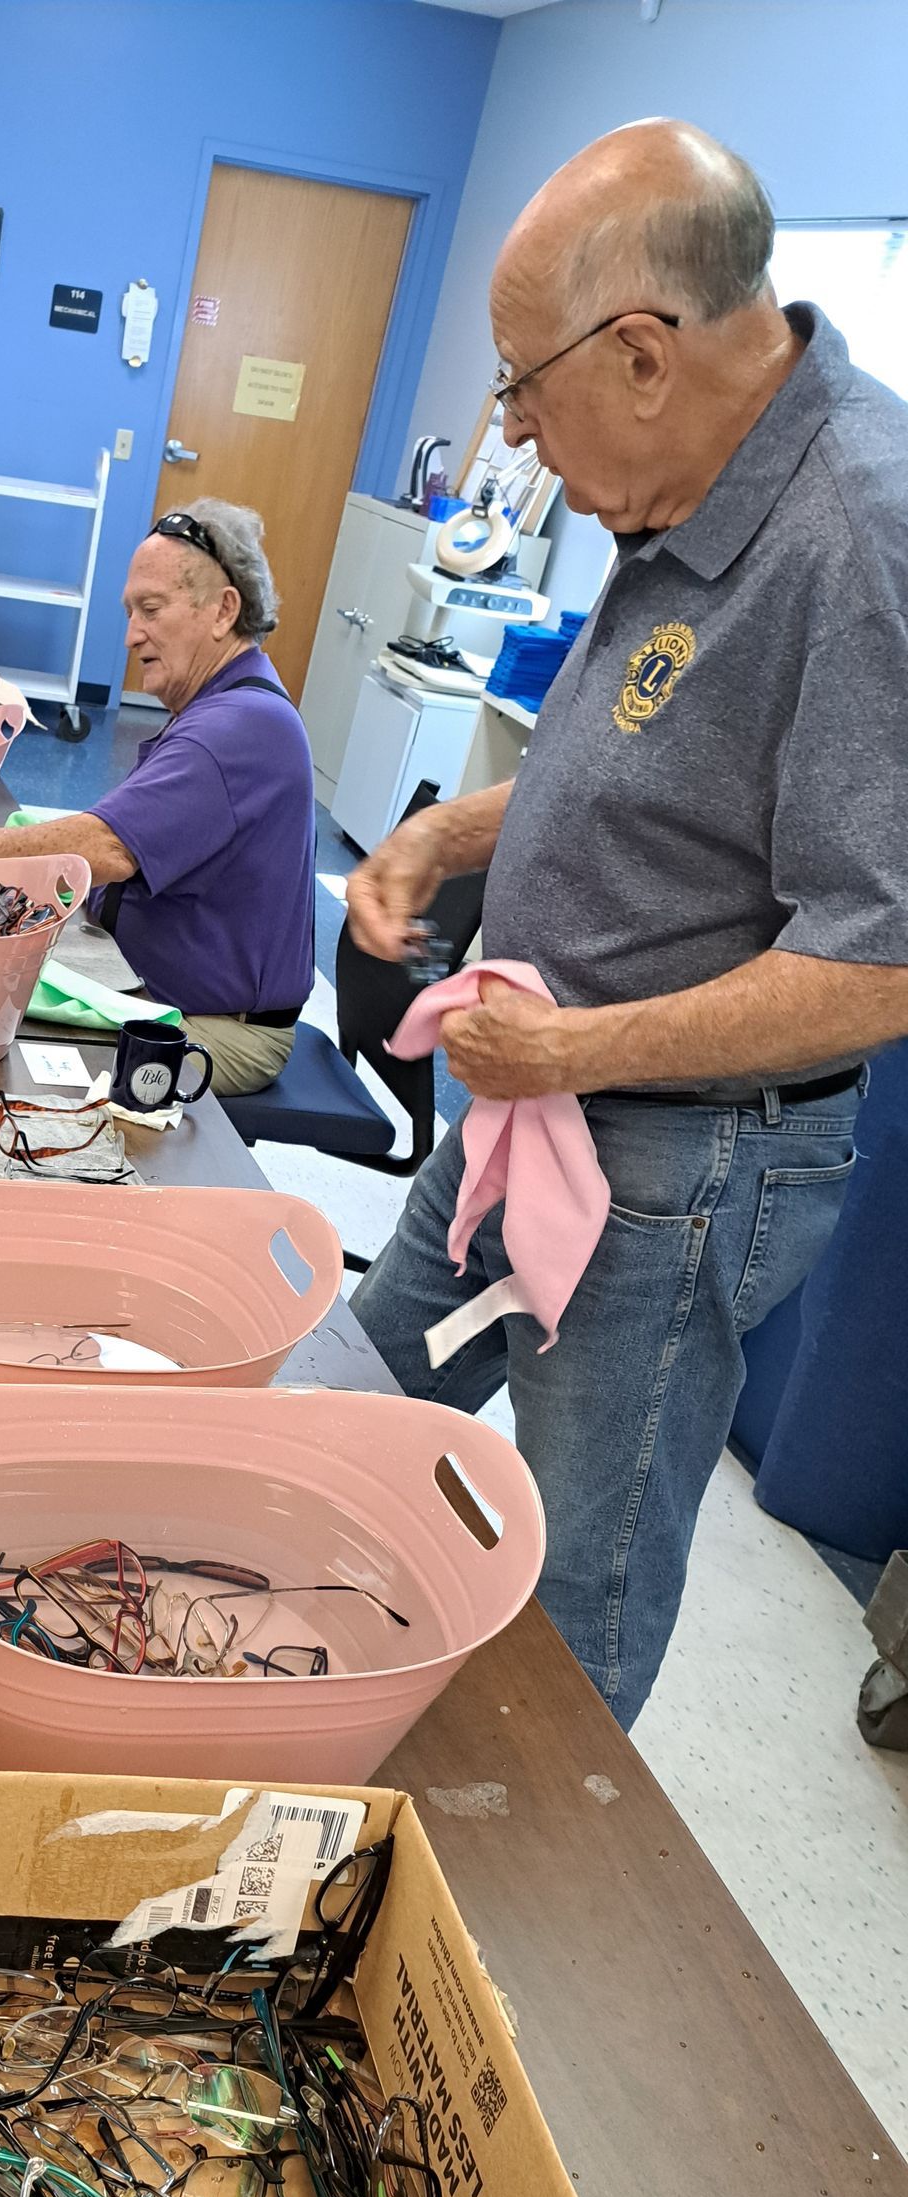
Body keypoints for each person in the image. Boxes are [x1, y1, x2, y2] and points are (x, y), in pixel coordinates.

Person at [347, 120, 908, 1726]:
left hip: (670, 1162)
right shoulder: (683, 483)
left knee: (576, 1584)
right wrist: (454, 830)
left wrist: (573, 1043)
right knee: (364, 1397)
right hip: (548, 1098)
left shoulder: (863, 533)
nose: (516, 436)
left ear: (645, 353)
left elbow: (882, 957)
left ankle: (514, 1919)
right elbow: (648, 772)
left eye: (525, 386)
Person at [0, 499, 314, 1095]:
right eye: (130, 612)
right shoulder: (226, 707)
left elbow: (110, 847)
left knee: (11, 1071)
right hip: (140, 976)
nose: (131, 635)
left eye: (150, 609)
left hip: (211, 1029)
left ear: (224, 610)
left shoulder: (242, 727)